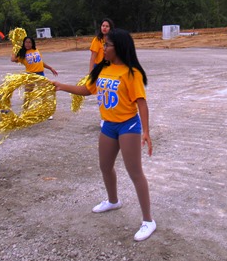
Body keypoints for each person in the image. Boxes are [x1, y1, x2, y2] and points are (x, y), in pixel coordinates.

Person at [53, 28, 156, 242]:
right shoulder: (102, 69)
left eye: (107, 45)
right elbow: (86, 90)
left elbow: (141, 102)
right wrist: (62, 86)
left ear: (118, 47)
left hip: (128, 125)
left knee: (135, 173)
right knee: (105, 166)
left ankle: (148, 220)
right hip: (108, 125)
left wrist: (145, 131)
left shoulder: (131, 73)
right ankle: (113, 200)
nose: (104, 48)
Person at [11, 36, 58, 118]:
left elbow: (41, 62)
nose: (28, 44)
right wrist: (15, 48)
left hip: (40, 74)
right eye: (26, 42)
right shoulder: (22, 54)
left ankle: (46, 112)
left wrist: (50, 68)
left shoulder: (36, 50)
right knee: (28, 94)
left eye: (29, 42)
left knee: (43, 93)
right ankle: (24, 112)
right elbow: (13, 59)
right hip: (30, 75)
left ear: (32, 43)